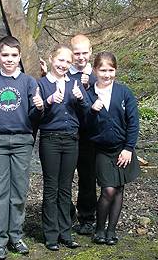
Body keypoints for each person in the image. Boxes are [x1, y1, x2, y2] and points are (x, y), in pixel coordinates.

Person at [0, 36, 44, 260]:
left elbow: (34, 118)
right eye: (5, 55)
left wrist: (39, 108)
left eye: (14, 55)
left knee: (19, 192)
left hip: (23, 141)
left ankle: (16, 236)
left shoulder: (28, 82)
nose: (9, 59)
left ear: (20, 56)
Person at [37, 44, 89, 251]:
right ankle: (50, 235)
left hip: (71, 141)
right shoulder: (41, 84)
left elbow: (85, 114)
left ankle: (65, 233)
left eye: (68, 62)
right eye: (61, 60)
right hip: (50, 139)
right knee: (51, 188)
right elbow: (36, 117)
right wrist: (48, 102)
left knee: (65, 188)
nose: (64, 65)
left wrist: (81, 99)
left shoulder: (75, 83)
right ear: (51, 59)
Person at [86, 51, 140, 245]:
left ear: (115, 71)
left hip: (122, 149)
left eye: (111, 70)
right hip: (101, 150)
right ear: (95, 70)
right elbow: (84, 124)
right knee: (108, 190)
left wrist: (128, 148)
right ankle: (99, 229)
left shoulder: (124, 92)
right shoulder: (89, 94)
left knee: (118, 189)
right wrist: (92, 111)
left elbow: (133, 122)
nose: (106, 74)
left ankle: (111, 231)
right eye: (102, 70)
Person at [68, 34, 97, 235]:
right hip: (67, 133)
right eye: (76, 53)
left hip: (89, 135)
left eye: (84, 53)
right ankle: (66, 214)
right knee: (64, 178)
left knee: (87, 178)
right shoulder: (62, 72)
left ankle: (87, 218)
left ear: (90, 52)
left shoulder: (98, 75)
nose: (80, 57)